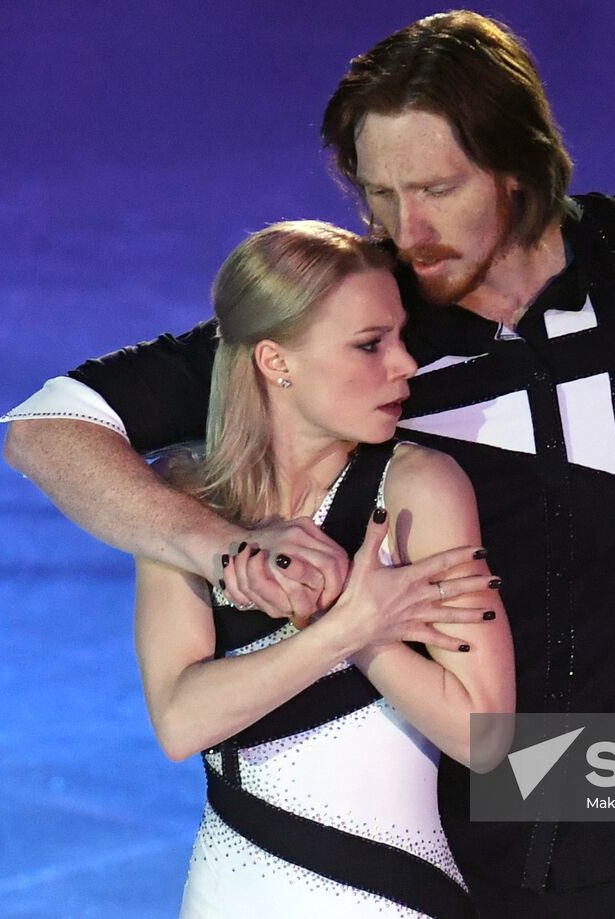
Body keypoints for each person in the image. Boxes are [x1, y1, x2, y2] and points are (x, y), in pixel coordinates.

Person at [1, 11, 615, 916]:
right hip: (466, 828)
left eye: (437, 188)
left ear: (518, 164)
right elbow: (49, 427)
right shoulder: (361, 332)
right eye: (381, 196)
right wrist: (225, 552)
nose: (409, 229)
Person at [131, 220, 514, 917]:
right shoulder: (190, 503)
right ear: (276, 360)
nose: (405, 364)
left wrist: (367, 634)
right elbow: (182, 720)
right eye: (370, 345)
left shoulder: (418, 490)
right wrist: (343, 629)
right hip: (228, 895)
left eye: (400, 338)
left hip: (393, 900)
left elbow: (484, 738)